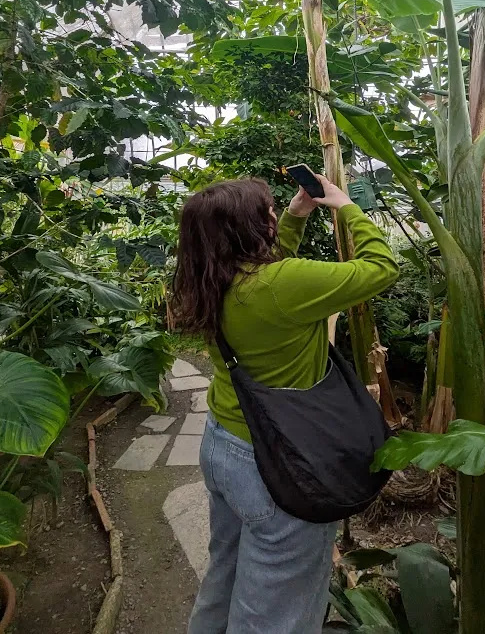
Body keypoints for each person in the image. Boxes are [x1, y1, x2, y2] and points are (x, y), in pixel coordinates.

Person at [172, 176, 399, 634]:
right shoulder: (280, 286)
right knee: (275, 614)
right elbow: (381, 267)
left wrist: (296, 217)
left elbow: (273, 279)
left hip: (221, 446)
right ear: (248, 228)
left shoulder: (208, 276)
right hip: (277, 463)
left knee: (225, 572)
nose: (274, 214)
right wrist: (345, 207)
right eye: (269, 211)